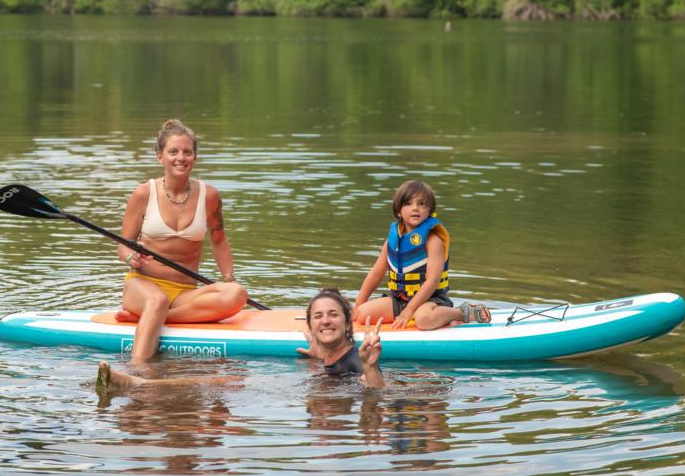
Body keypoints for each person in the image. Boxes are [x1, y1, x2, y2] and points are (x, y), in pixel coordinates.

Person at [116, 119, 248, 362]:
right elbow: (123, 244)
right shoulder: (143, 193)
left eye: (187, 152)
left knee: (237, 294)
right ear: (160, 156)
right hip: (143, 287)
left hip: (184, 294)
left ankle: (150, 318)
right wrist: (131, 257)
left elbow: (219, 239)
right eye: (173, 151)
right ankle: (138, 369)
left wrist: (229, 279)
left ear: (195, 157)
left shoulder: (209, 195)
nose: (181, 158)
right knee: (157, 301)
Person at [95, 287, 384, 391]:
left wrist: (370, 368)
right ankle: (138, 384)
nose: (326, 321)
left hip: (332, 399)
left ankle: (138, 384)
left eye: (333, 315)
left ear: (347, 322)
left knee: (225, 382)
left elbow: (377, 392)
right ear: (309, 324)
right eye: (318, 316)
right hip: (318, 390)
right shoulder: (329, 355)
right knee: (226, 381)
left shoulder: (358, 359)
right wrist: (321, 356)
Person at [353, 180, 490, 330]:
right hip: (401, 300)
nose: (415, 208)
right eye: (408, 203)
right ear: (398, 211)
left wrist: (409, 311)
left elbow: (433, 280)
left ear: (429, 210)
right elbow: (375, 275)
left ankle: (461, 313)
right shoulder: (392, 242)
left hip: (431, 300)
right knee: (362, 314)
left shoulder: (433, 241)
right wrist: (356, 307)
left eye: (421, 204)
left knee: (424, 320)